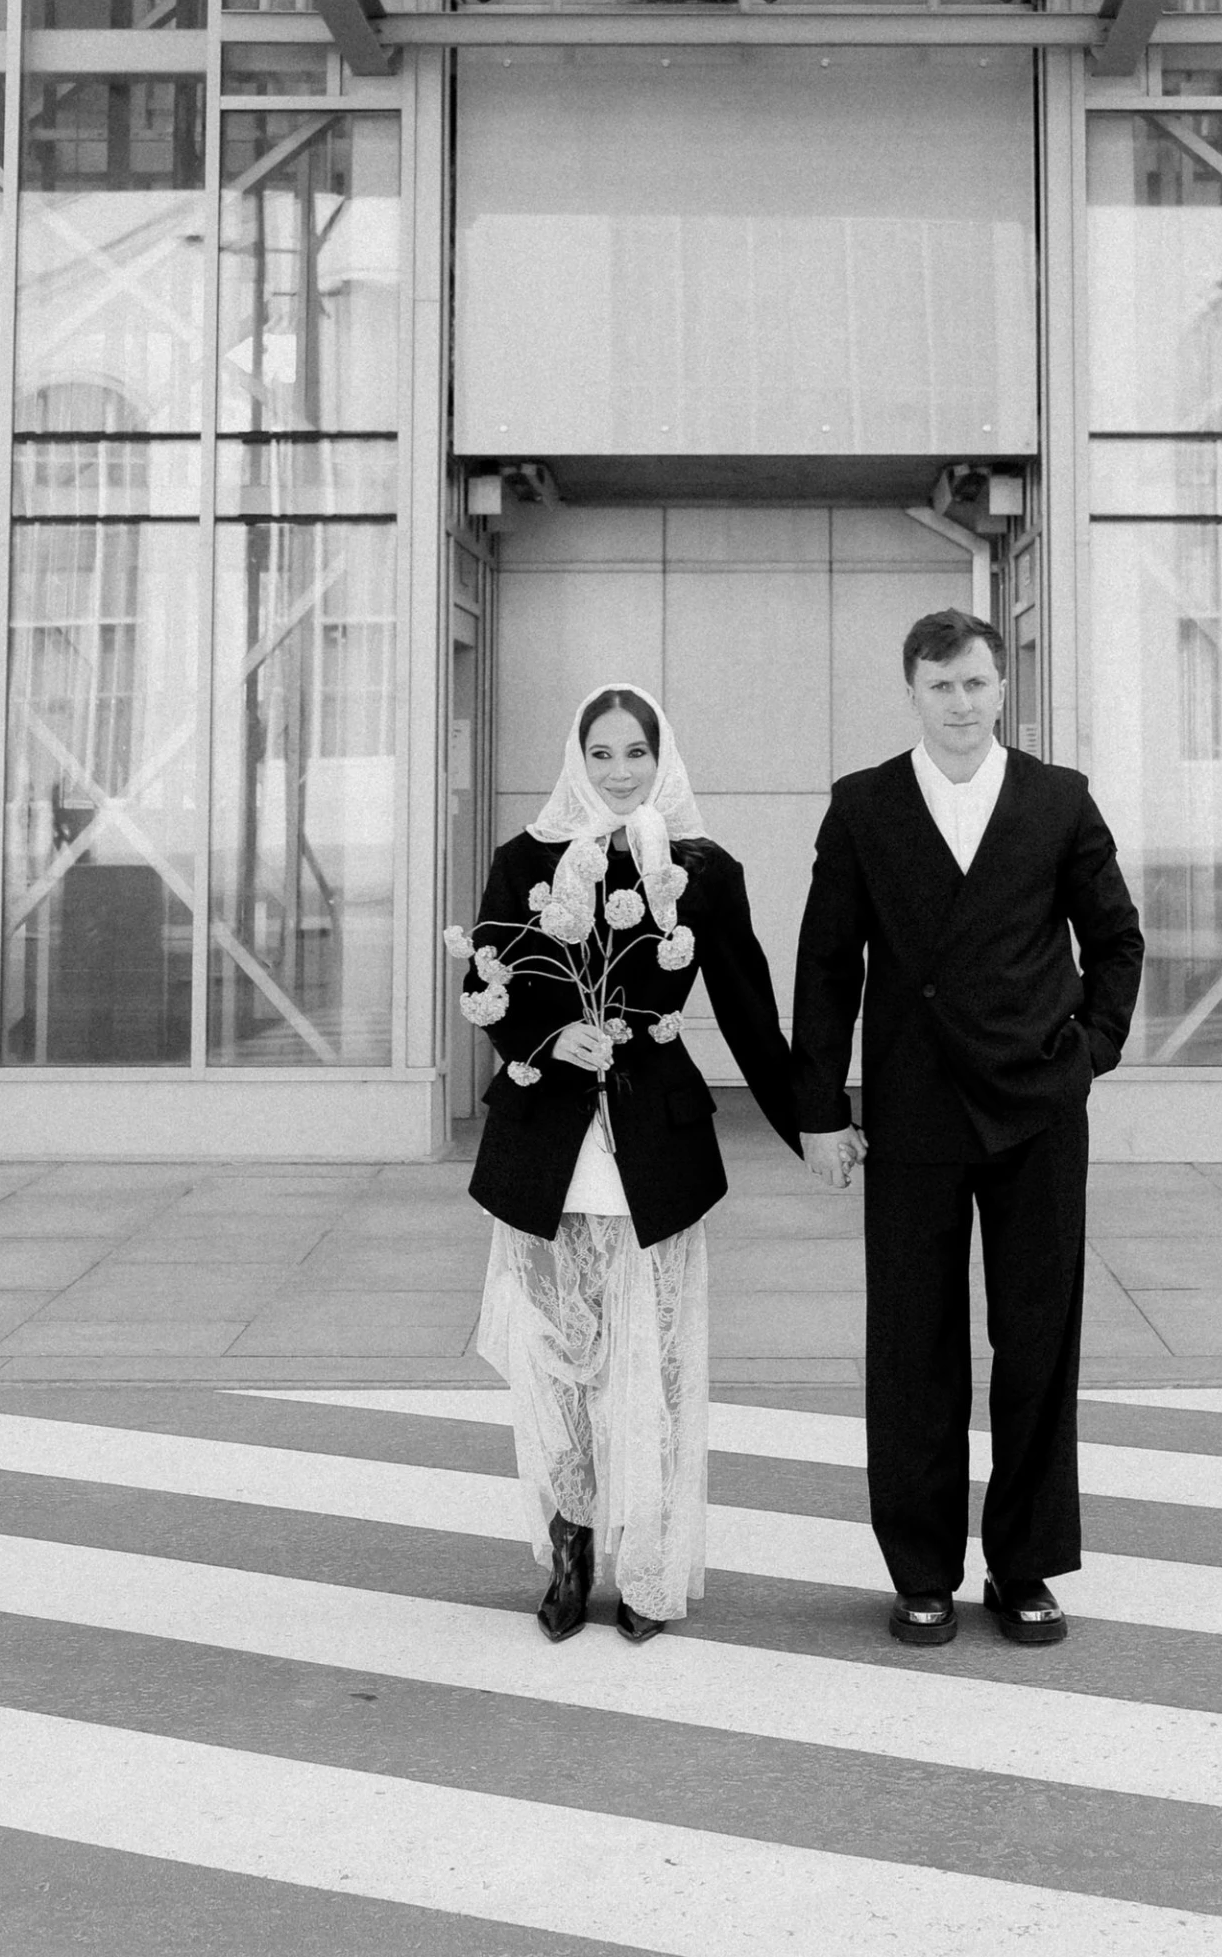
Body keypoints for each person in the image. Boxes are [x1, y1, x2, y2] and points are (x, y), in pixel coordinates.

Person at [792, 608, 1143, 1649]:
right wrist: (819, 1112)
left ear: (1000, 688)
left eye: (975, 683)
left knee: (1036, 1342)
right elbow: (824, 967)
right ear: (911, 691)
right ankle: (920, 1572)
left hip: (1037, 1107)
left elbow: (1116, 939)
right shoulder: (862, 806)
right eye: (940, 685)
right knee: (913, 1348)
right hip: (912, 1111)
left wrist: (1088, 1054)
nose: (959, 703)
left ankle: (1022, 1565)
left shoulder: (1056, 798)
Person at [466, 683, 798, 1645]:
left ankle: (649, 1569)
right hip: (547, 1148)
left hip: (652, 1150)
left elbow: (750, 1013)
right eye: (601, 753)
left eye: (636, 753)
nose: (618, 772)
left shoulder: (702, 870)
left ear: (662, 758)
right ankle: (568, 1559)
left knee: (654, 1370)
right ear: (577, 759)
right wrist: (550, 1036)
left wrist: (817, 1127)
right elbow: (488, 983)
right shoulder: (524, 860)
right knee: (557, 1364)